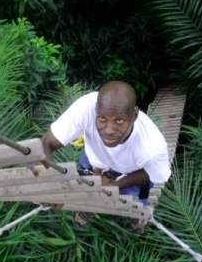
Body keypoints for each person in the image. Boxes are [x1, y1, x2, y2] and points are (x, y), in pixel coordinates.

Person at [41, 81, 171, 234]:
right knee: (89, 190)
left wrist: (114, 186)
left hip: (132, 171)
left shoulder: (152, 147)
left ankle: (136, 214)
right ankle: (90, 204)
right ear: (95, 111)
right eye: (102, 118)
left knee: (135, 201)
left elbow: (152, 174)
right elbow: (46, 142)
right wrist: (50, 184)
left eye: (119, 120)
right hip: (95, 160)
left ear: (134, 115)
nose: (109, 130)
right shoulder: (86, 107)